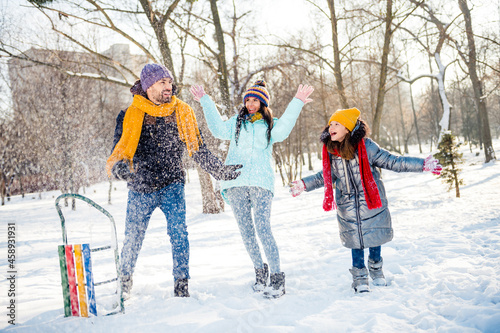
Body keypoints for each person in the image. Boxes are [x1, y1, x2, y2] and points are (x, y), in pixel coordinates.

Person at [106, 63, 242, 298]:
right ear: (148, 86)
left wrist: (219, 171)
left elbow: (198, 148)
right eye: (162, 82)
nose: (168, 87)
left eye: (169, 82)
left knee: (179, 234)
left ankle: (182, 284)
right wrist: (120, 170)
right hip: (141, 187)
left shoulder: (182, 111)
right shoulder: (129, 114)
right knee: (133, 237)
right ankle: (125, 282)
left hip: (172, 184)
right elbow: (118, 153)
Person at [289, 107, 442, 293]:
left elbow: (395, 162)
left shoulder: (367, 147)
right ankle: (360, 278)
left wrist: (422, 165)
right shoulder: (331, 151)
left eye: (337, 123)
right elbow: (324, 177)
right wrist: (304, 184)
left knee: (374, 238)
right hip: (347, 207)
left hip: (371, 203)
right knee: (356, 243)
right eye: (330, 124)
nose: (331, 127)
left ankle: (376, 271)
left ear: (347, 127)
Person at [190, 81, 314, 298]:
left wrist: (297, 102)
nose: (250, 104)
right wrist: (205, 101)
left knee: (263, 229)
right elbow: (217, 129)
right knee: (246, 232)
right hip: (236, 183)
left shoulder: (270, 126)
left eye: (255, 100)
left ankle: (276, 277)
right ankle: (260, 271)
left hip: (260, 184)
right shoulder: (235, 123)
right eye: (248, 100)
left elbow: (284, 129)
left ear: (263, 102)